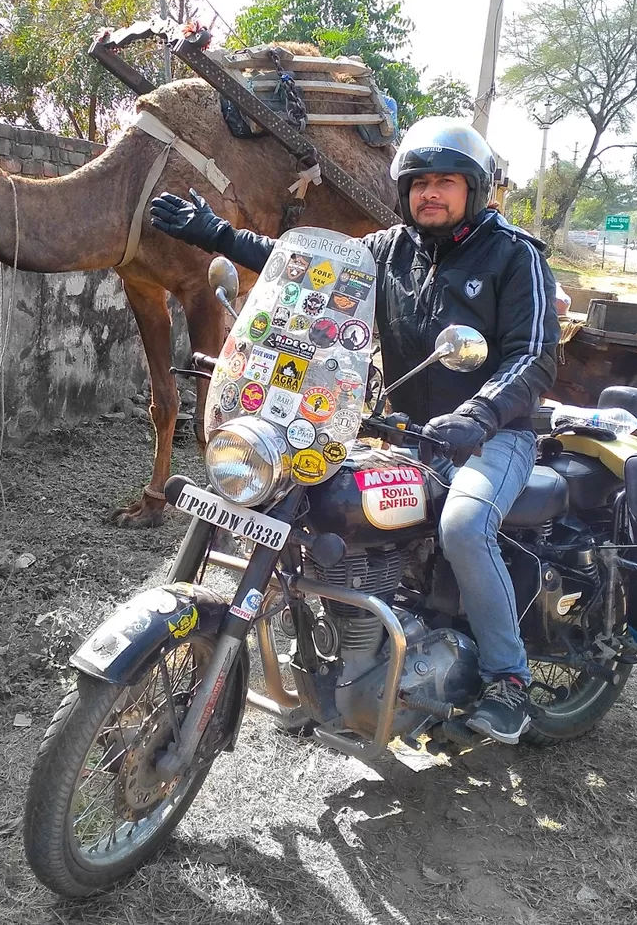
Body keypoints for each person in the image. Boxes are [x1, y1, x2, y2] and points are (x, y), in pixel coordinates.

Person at [149, 117, 559, 743]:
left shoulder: (514, 255)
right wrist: (214, 234)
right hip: (400, 429)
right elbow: (303, 267)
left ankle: (509, 679)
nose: (431, 195)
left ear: (475, 190)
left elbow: (534, 356)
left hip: (493, 435)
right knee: (307, 498)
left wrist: (480, 414)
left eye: (446, 183)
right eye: (420, 183)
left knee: (464, 525)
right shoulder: (387, 250)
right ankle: (339, 658)